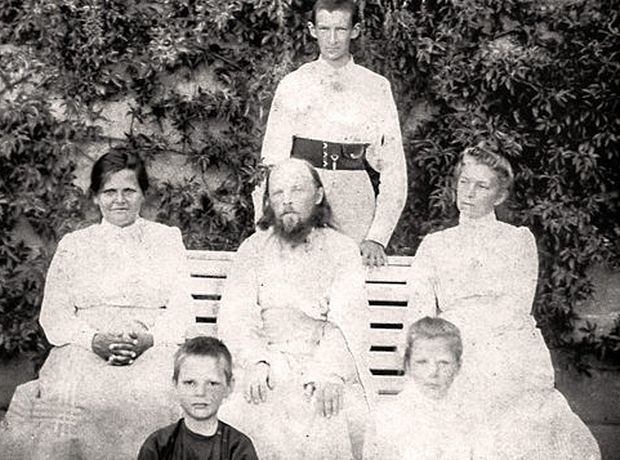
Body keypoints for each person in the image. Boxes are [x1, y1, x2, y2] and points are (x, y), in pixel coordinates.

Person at [0, 150, 196, 459]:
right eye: (109, 192)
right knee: (69, 396)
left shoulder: (165, 239)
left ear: (143, 194)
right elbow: (54, 315)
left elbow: (182, 309)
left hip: (151, 345)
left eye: (129, 191)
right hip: (85, 347)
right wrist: (93, 341)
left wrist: (149, 339)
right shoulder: (75, 245)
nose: (120, 200)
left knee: (157, 393)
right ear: (94, 197)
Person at [408, 146, 601, 459]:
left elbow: (515, 307)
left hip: (506, 346)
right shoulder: (435, 245)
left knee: (511, 405)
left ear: (499, 196)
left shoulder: (517, 240)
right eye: (464, 182)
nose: (468, 193)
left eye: (481, 186)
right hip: (451, 345)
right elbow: (418, 314)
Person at [217, 158, 374, 460]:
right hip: (267, 361)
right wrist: (256, 362)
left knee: (333, 413)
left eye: (297, 190)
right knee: (242, 411)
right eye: (277, 193)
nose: (286, 200)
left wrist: (329, 373)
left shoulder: (342, 249)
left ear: (317, 196)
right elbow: (236, 316)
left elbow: (348, 319)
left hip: (323, 362)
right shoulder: (253, 248)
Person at [255, 0, 407, 266]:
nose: (333, 39)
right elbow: (271, 163)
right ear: (313, 30)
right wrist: (265, 224)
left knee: (351, 276)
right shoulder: (294, 84)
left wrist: (377, 236)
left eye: (341, 29)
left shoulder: (375, 87)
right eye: (325, 29)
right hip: (304, 193)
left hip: (354, 200)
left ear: (355, 30)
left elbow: (394, 169)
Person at [364, 317, 474, 460]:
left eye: (444, 362)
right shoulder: (386, 417)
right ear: (408, 365)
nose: (433, 372)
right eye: (422, 362)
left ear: (458, 366)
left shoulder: (470, 417)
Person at [137, 336, 259, 460]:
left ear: (229, 386)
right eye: (190, 383)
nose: (200, 393)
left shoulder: (238, 447)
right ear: (175, 384)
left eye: (212, 383)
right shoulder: (158, 445)